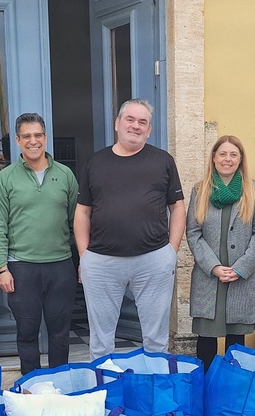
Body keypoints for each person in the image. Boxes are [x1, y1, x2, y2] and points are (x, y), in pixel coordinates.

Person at [74, 99, 185, 359]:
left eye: (142, 122)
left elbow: (178, 207)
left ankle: (152, 393)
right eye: (130, 120)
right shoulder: (96, 162)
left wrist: (171, 251)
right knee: (101, 342)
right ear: (117, 124)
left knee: (156, 340)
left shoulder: (163, 161)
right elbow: (82, 211)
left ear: (149, 130)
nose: (135, 126)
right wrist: (84, 256)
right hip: (102, 262)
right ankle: (105, 393)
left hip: (153, 259)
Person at [0, 113, 79, 375]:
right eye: (27, 136)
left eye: (38, 135)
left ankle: (60, 384)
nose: (33, 141)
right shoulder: (6, 178)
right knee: (27, 333)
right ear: (18, 141)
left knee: (60, 333)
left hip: (60, 266)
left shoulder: (65, 175)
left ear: (46, 138)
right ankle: (30, 386)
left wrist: (84, 259)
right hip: (21, 268)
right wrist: (1, 268)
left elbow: (77, 221)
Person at [186, 135, 255, 368]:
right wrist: (213, 267)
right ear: (213, 158)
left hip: (242, 277)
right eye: (222, 153)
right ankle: (206, 386)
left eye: (234, 154)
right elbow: (193, 233)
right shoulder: (200, 191)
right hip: (209, 277)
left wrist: (241, 268)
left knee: (236, 337)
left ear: (241, 159)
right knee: (206, 338)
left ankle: (232, 387)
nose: (227, 159)